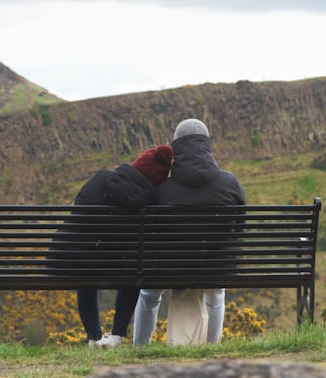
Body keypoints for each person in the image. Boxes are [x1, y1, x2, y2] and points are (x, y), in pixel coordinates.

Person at [133, 119, 247, 345]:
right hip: (216, 264)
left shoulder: (162, 189)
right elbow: (239, 227)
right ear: (207, 145)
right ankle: (213, 347)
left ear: (177, 149)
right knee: (216, 295)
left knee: (149, 294)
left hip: (171, 267)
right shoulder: (230, 182)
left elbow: (151, 233)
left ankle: (140, 347)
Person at [69, 144, 174, 347]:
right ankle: (117, 336)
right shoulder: (150, 202)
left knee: (86, 271)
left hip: (78, 264)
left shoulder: (101, 179)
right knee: (133, 270)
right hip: (122, 269)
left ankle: (93, 337)